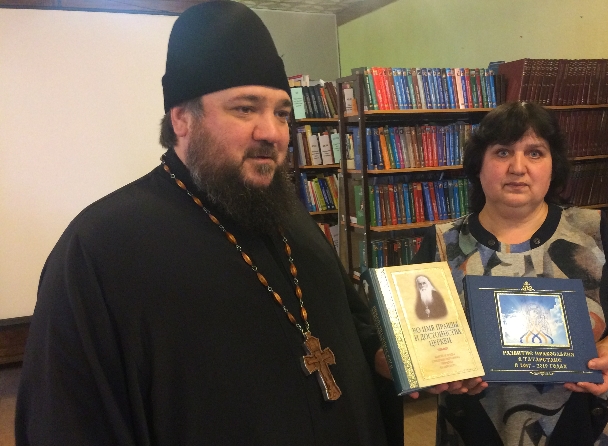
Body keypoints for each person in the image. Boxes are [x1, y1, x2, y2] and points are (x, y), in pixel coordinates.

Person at [15, 2, 394, 445]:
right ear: (182, 119)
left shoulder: (289, 216)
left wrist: (387, 356)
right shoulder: (99, 247)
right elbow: (67, 419)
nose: (272, 132)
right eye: (245, 109)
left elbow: (348, 324)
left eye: (281, 113)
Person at [412, 102, 608, 446]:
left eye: (534, 153)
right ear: (478, 165)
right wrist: (436, 370)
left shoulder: (592, 233)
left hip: (581, 425)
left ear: (553, 166)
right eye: (503, 152)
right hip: (473, 428)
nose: (518, 168)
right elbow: (409, 344)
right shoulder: (444, 244)